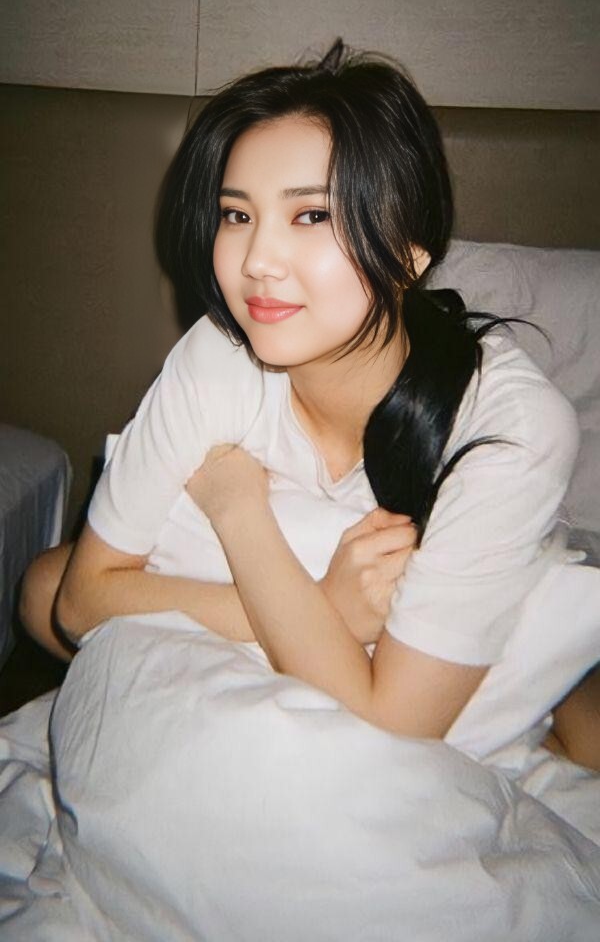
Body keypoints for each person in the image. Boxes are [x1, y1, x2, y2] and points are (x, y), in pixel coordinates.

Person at [19, 41, 600, 763]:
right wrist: (324, 607)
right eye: (237, 215)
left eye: (311, 216)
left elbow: (393, 728)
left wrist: (240, 513)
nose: (257, 261)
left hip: (447, 650)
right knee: (42, 590)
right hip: (326, 613)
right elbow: (78, 602)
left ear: (412, 250)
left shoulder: (509, 427)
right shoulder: (220, 354)